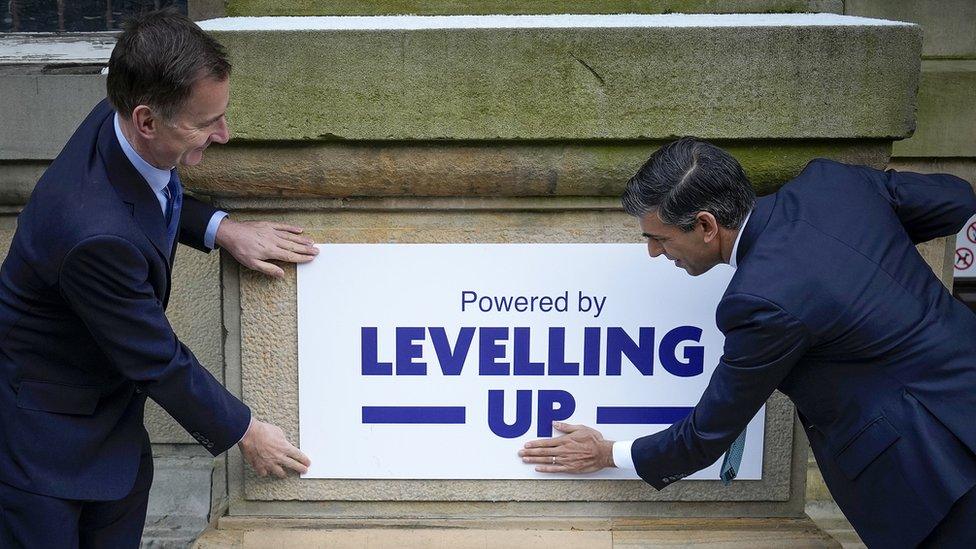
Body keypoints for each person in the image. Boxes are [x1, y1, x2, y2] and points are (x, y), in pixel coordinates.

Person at [519, 137, 976, 547]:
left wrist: (607, 453)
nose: (654, 253)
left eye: (659, 239)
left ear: (706, 225)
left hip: (940, 474)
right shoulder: (832, 184)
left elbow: (706, 434)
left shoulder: (762, 302)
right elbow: (956, 198)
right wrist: (874, 245)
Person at [0, 10, 317, 547]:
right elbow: (155, 356)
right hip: (46, 451)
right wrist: (245, 431)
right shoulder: (92, 234)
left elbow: (150, 193)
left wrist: (220, 228)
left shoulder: (118, 114)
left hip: (112, 431)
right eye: (205, 123)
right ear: (147, 120)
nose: (224, 134)